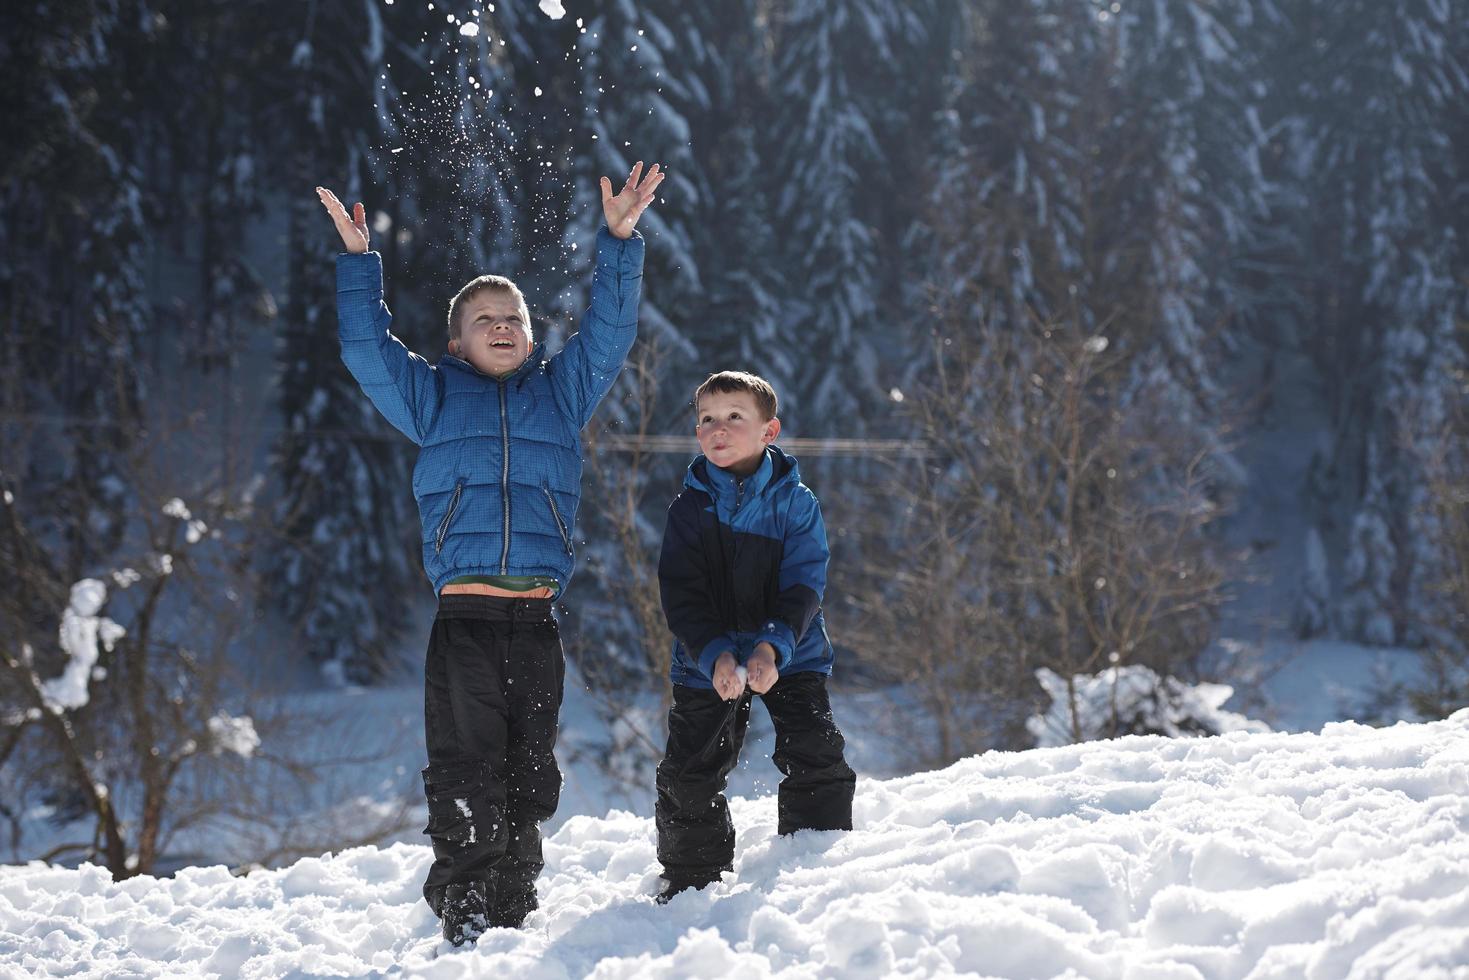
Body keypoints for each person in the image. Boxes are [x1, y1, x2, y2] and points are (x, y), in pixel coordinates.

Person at [314, 161, 664, 946]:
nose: (501, 325)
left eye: (513, 316)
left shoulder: (560, 394)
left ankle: (513, 899)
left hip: (535, 618)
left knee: (530, 770)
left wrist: (619, 241)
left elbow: (609, 334)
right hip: (465, 616)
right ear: (455, 340)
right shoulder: (431, 400)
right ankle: (465, 905)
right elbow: (367, 351)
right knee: (466, 764)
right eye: (484, 318)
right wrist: (358, 261)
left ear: (533, 335)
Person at [653, 370, 857, 903]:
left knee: (814, 750)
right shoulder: (689, 509)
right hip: (706, 659)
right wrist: (715, 654)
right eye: (706, 420)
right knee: (689, 770)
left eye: (734, 417)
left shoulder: (796, 503)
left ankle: (817, 856)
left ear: (770, 431)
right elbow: (682, 593)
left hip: (792, 651)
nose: (718, 429)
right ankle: (691, 879)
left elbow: (804, 582)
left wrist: (772, 645)